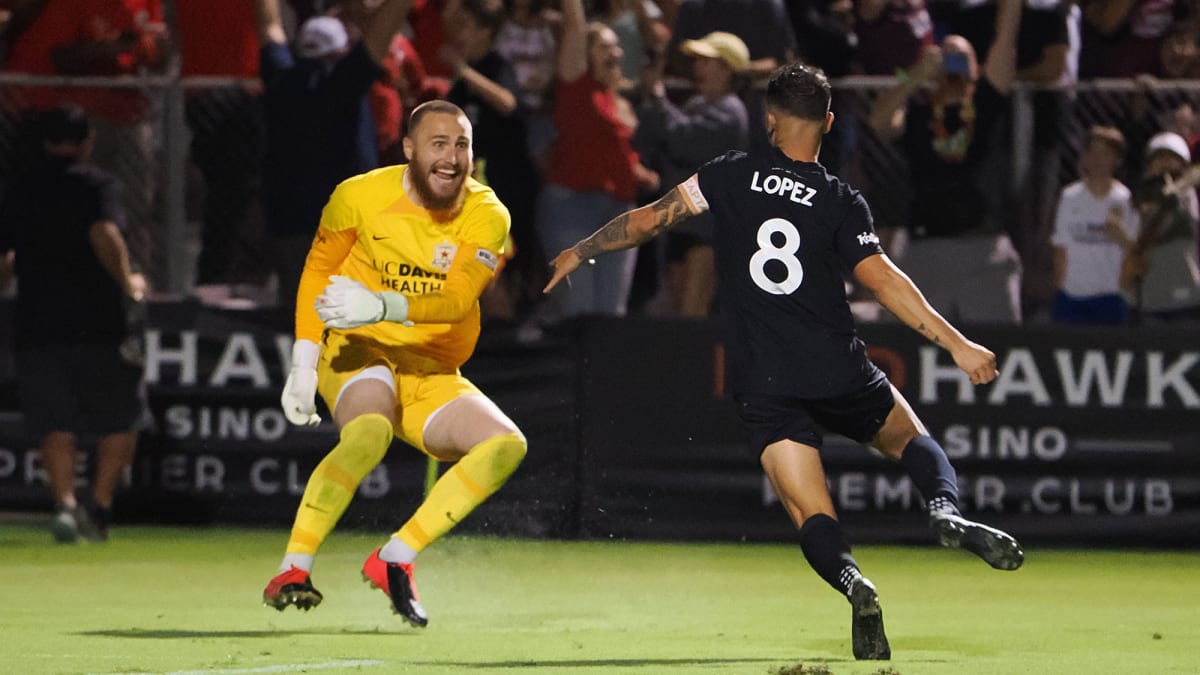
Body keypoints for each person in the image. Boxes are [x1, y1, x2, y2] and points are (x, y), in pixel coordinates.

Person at [544, 63, 1024, 661]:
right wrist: (955, 343)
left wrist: (583, 250)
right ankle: (944, 508)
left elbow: (648, 220)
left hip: (765, 379)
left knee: (808, 508)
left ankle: (854, 584)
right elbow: (887, 284)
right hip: (836, 365)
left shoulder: (729, 175)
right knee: (909, 437)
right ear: (826, 122)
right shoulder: (842, 201)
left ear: (770, 120)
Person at [262, 100, 527, 627]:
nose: (451, 158)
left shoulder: (488, 213)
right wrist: (303, 363)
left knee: (505, 446)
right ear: (408, 149)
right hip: (358, 346)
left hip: (430, 368)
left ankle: (395, 557)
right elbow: (317, 273)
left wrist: (384, 303)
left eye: (461, 145)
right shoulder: (358, 196)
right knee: (369, 433)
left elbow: (455, 301)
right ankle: (293, 567)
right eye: (438, 144)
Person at [0, 104, 150, 543]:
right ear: (88, 140)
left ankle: (65, 504)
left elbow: (5, 258)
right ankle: (99, 505)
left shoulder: (21, 188)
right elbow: (104, 233)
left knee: (54, 419)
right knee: (119, 415)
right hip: (100, 320)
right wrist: (129, 284)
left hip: (38, 320)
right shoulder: (96, 185)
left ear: (46, 142)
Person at [867, 0, 1024, 324]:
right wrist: (914, 76)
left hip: (983, 248)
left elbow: (1006, 39)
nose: (952, 67)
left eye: (960, 58)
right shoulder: (919, 115)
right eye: (946, 58)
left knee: (998, 352)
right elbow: (879, 121)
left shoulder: (987, 105)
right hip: (925, 250)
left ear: (977, 69)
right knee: (909, 348)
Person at [254, 0, 412, 307]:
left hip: (288, 228)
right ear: (340, 51)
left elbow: (269, 26)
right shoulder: (345, 81)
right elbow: (381, 34)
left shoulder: (280, 79)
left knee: (298, 321)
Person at [532, 0, 658, 320]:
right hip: (573, 209)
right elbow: (575, 26)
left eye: (616, 46)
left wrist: (640, 174)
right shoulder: (577, 88)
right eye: (603, 46)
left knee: (611, 317)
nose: (615, 53)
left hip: (619, 214)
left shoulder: (617, 101)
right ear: (584, 55)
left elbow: (613, 155)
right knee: (581, 315)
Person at [635, 30, 750, 317]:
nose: (698, 68)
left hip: (707, 230)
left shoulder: (730, 112)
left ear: (727, 69)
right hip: (681, 225)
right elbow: (658, 132)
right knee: (678, 310)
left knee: (692, 312)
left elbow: (683, 138)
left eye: (706, 61)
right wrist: (652, 100)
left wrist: (659, 98)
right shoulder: (698, 105)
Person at [1049, 126, 1139, 325]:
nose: (1098, 160)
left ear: (1117, 160)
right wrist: (1060, 289)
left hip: (1110, 297)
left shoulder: (1126, 200)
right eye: (1093, 152)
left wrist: (1121, 236)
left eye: (1105, 154)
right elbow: (1060, 248)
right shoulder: (1069, 196)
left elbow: (1135, 251)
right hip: (1072, 297)